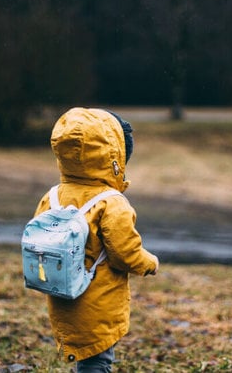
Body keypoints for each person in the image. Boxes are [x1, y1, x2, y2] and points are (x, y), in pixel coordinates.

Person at [31, 107, 159, 372]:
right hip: (97, 300)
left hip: (62, 295)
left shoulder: (53, 196)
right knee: (98, 361)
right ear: (114, 157)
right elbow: (125, 252)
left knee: (87, 359)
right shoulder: (111, 203)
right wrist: (149, 263)